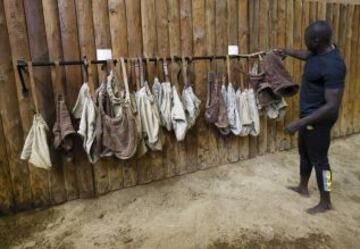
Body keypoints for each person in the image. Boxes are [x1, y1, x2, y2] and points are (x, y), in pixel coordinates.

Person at [275, 20, 346, 214]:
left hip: (319, 120)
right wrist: (287, 52)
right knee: (304, 153)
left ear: (316, 41)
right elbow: (307, 55)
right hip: (308, 115)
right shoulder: (319, 51)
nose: (304, 41)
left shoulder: (334, 66)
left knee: (321, 161)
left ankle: (326, 201)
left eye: (306, 39)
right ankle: (303, 187)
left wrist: (300, 123)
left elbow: (332, 106)